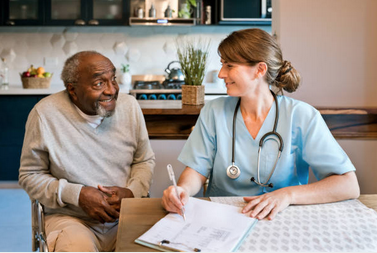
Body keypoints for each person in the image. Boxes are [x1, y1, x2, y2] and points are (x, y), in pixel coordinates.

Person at [162, 28, 359, 221]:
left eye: (229, 65)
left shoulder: (302, 116)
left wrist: (287, 195)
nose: (221, 73)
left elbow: (348, 185)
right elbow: (197, 170)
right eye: (223, 64)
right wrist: (183, 189)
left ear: (260, 69)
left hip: (281, 219)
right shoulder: (213, 111)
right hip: (222, 219)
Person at [19, 51, 155, 251]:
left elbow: (144, 161)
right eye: (99, 83)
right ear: (72, 90)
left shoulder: (130, 107)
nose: (111, 90)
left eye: (113, 79)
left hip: (126, 215)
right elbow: (30, 175)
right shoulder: (43, 115)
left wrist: (132, 192)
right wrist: (77, 194)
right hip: (71, 219)